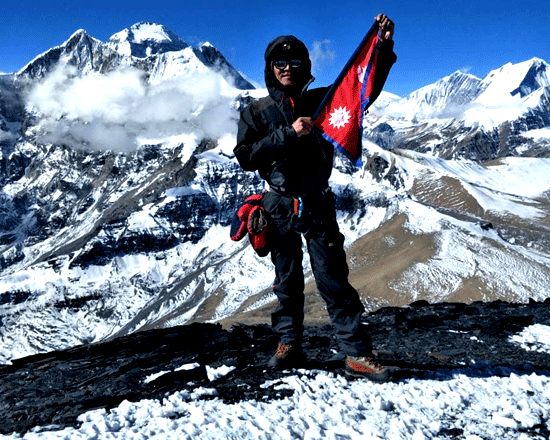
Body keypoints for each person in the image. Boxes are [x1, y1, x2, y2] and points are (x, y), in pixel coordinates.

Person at [234, 14, 396, 381]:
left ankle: (355, 353)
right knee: (286, 281)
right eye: (280, 62)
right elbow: (246, 156)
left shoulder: (324, 100)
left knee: (333, 278)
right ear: (270, 69)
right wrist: (289, 134)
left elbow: (363, 91)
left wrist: (382, 48)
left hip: (317, 202)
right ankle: (289, 344)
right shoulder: (256, 111)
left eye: (294, 62)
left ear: (304, 66)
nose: (287, 68)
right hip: (276, 205)